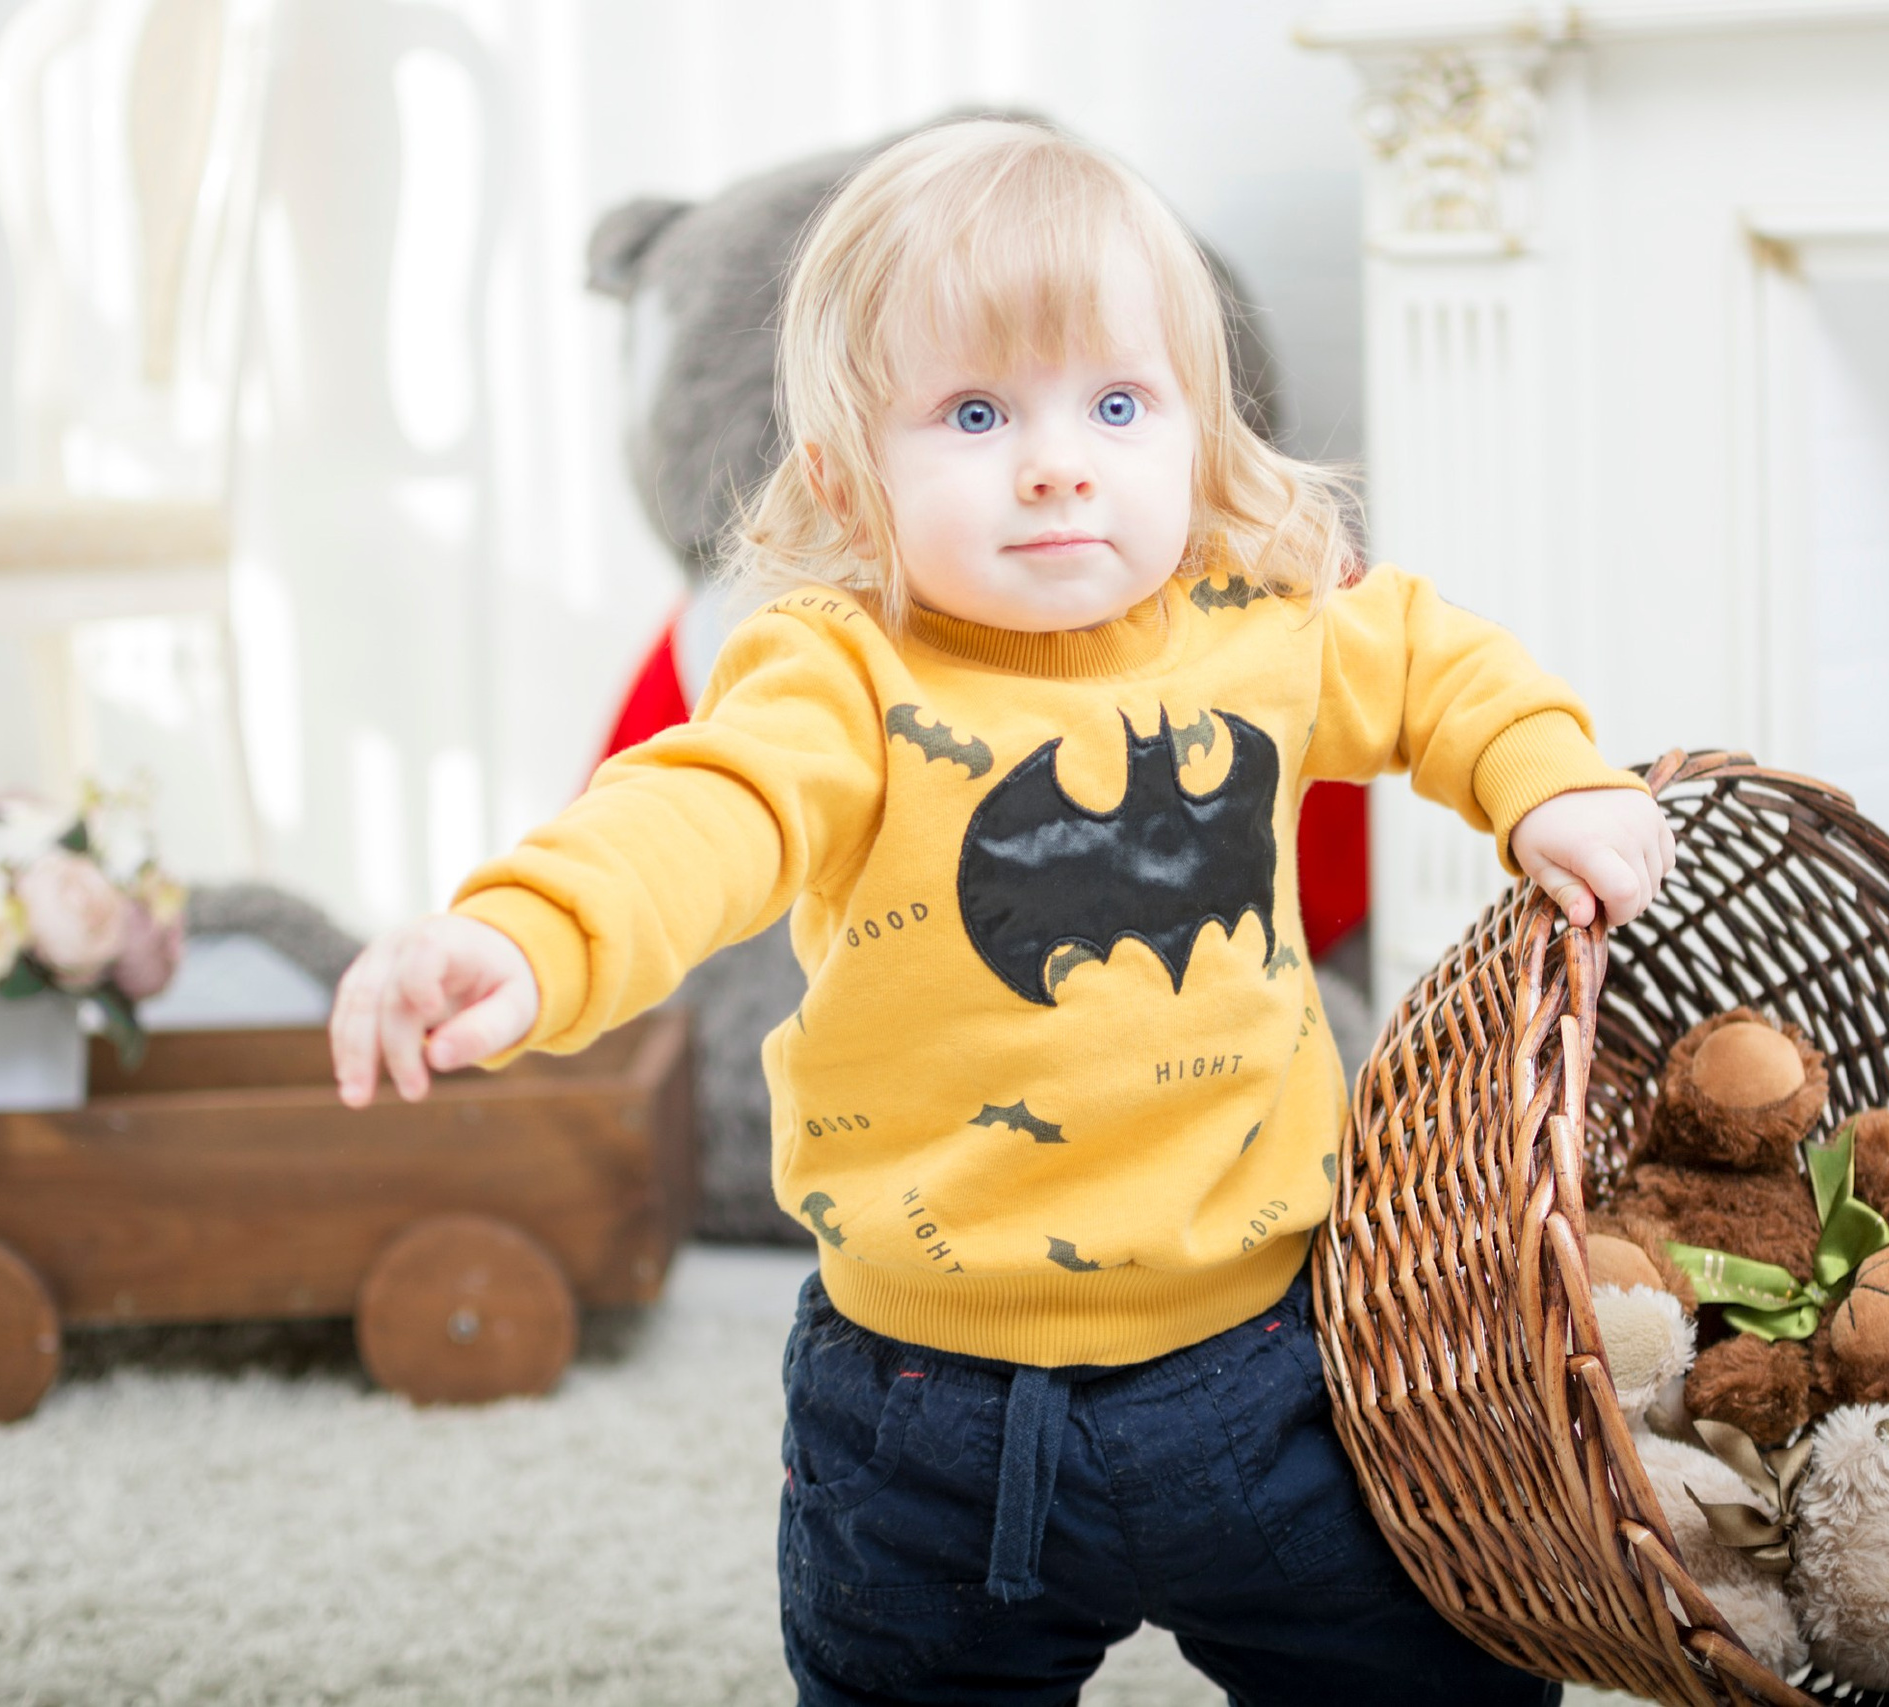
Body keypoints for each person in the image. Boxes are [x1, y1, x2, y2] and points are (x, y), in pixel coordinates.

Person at [331, 118, 1673, 1707]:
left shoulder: (1259, 621)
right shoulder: (839, 673)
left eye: (1116, 404)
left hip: (1267, 1365)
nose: (1058, 459)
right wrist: (522, 934)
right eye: (974, 412)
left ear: (1193, 430)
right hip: (923, 1413)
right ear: (845, 474)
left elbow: (1443, 665)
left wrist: (1549, 777)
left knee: (1434, 1680)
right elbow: (697, 813)